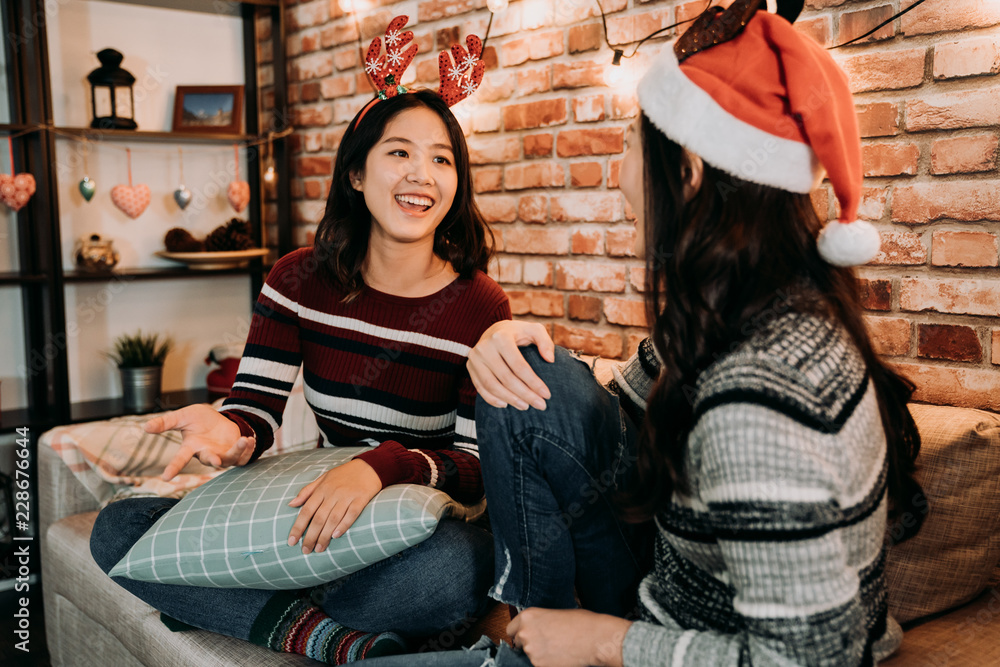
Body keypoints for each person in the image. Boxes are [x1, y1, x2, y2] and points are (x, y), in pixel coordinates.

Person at [361, 3, 925, 667]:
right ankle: (530, 634)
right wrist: (505, 347)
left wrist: (601, 642)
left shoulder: (759, 400)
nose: (621, 169)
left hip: (670, 642)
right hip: (659, 598)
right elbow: (609, 417)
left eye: (632, 141)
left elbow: (806, 660)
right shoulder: (737, 310)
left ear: (685, 171)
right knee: (529, 374)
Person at [90, 87, 511, 665]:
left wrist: (379, 467)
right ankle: (332, 638)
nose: (422, 175)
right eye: (399, 153)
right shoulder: (298, 280)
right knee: (117, 529)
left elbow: (476, 467)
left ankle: (243, 602)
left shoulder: (480, 306)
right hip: (312, 509)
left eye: (442, 159)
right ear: (357, 174)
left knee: (459, 568)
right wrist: (229, 430)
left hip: (412, 529)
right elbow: (255, 411)